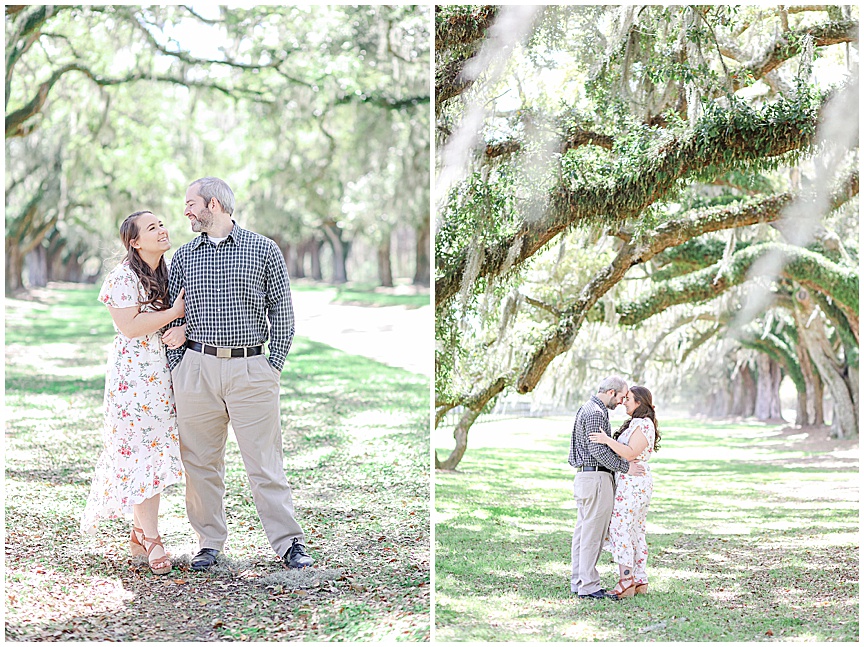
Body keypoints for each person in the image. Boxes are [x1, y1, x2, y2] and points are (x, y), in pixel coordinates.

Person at [165, 176, 314, 571]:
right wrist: (180, 365)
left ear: (213, 204)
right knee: (199, 463)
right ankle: (209, 542)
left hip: (252, 369)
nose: (186, 211)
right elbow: (171, 315)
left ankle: (288, 544)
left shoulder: (264, 250)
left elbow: (283, 311)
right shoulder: (183, 257)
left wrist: (272, 365)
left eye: (191, 203)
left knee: (264, 462)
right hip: (197, 369)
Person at [81, 211, 187, 576]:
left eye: (162, 224)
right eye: (152, 228)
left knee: (155, 455)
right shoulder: (122, 277)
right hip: (133, 381)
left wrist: (182, 327)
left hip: (162, 377)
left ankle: (140, 531)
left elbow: (178, 321)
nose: (162, 230)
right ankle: (154, 538)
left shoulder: (170, 273)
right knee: (139, 452)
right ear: (135, 242)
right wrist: (174, 312)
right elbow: (129, 326)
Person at [569, 376, 645, 600]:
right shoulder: (595, 413)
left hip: (587, 478)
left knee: (583, 533)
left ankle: (578, 581)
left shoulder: (588, 408)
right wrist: (625, 467)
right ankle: (589, 586)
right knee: (592, 534)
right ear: (611, 392)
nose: (622, 402)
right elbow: (598, 451)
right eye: (622, 397)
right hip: (595, 479)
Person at [589, 385, 660, 598]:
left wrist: (606, 440)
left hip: (633, 483)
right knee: (634, 530)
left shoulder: (645, 424)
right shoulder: (636, 423)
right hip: (629, 482)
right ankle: (639, 579)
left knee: (621, 528)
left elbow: (630, 454)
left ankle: (626, 580)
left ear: (639, 402)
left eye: (628, 398)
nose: (623, 402)